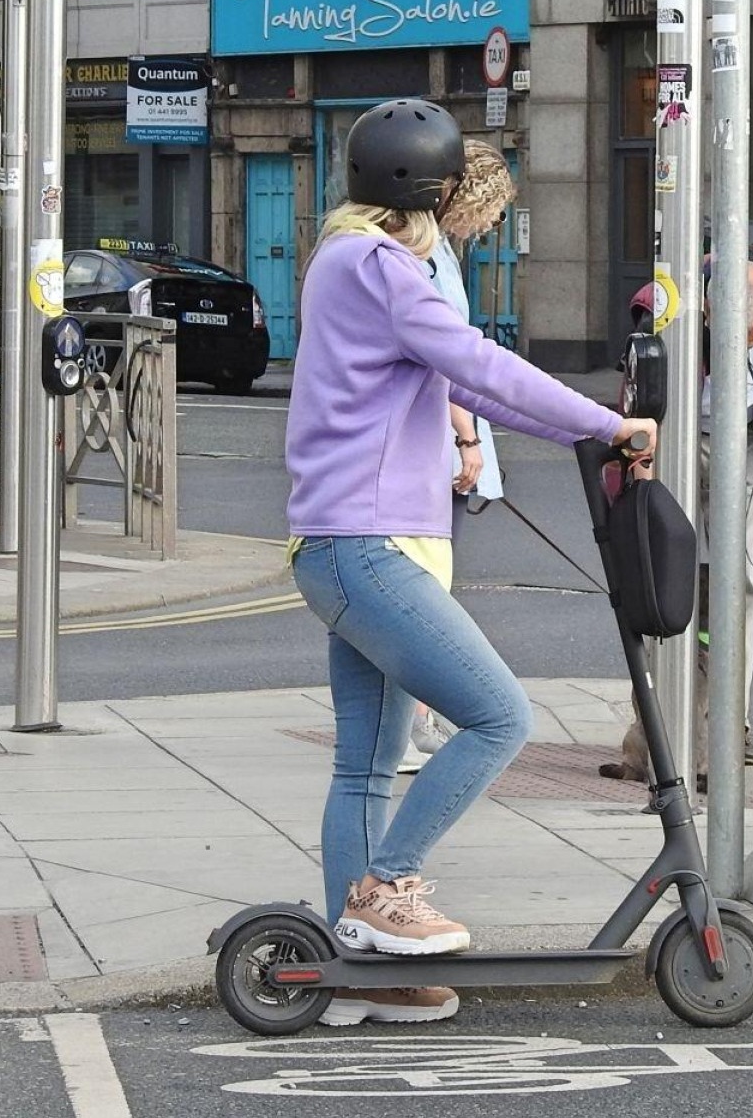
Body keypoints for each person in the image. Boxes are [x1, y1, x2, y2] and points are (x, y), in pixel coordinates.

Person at [286, 97, 655, 1026]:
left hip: (342, 542)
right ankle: (389, 887)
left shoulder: (343, 259)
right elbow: (479, 363)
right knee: (499, 715)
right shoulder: (383, 265)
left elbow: (464, 384)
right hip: (372, 544)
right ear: (438, 187)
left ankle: (363, 971)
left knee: (366, 769)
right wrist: (610, 421)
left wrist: (581, 433)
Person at [611, 236, 753, 782]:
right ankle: (651, 730)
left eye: (749, 337)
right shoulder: (670, 302)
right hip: (678, 440)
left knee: (739, 585)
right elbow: (629, 365)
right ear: (705, 309)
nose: (739, 346)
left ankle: (730, 726)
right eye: (725, 336)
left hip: (744, 442)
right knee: (663, 583)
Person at [399, 138, 518, 775]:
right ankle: (410, 725)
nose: (495, 223)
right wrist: (467, 439)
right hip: (438, 443)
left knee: (428, 588)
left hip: (432, 439)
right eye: (494, 208)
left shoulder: (435, 250)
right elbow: (444, 359)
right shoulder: (426, 256)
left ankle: (413, 719)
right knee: (427, 592)